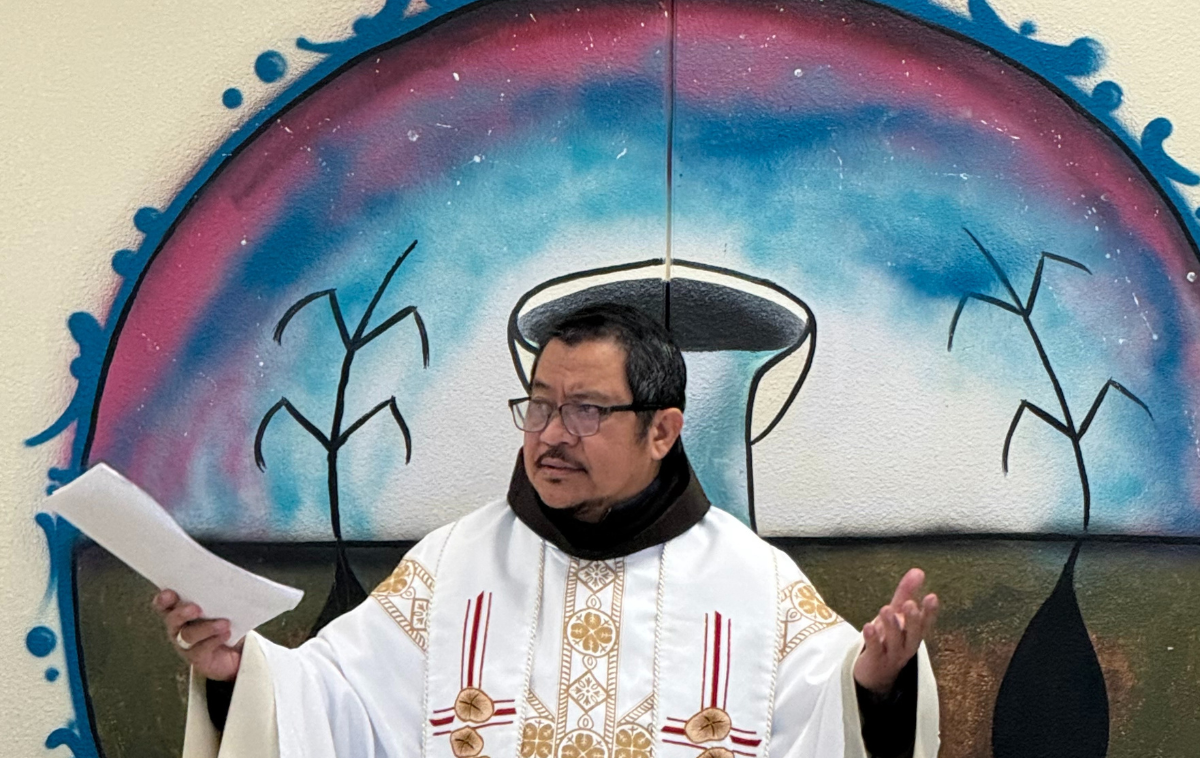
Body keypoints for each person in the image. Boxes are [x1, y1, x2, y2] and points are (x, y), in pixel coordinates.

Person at [154, 302, 940, 758]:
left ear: (662, 431)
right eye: (539, 404)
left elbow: (832, 723)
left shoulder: (755, 584)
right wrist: (236, 672)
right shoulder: (452, 567)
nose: (551, 433)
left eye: (586, 411)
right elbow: (328, 705)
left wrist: (876, 688)